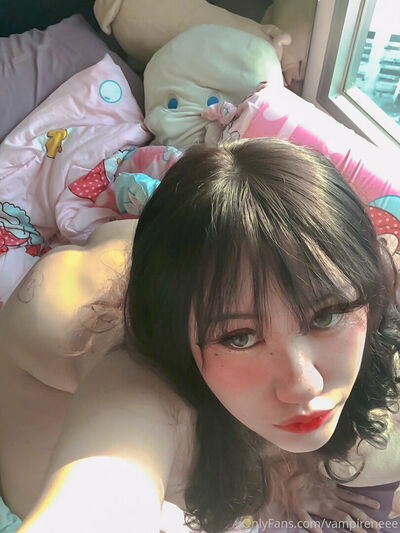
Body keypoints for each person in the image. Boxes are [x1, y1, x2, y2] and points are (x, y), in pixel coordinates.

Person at [0, 138, 399, 533]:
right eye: (240, 338)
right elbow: (108, 485)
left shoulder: (346, 274)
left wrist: (294, 470)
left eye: (326, 316)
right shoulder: (137, 373)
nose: (304, 384)